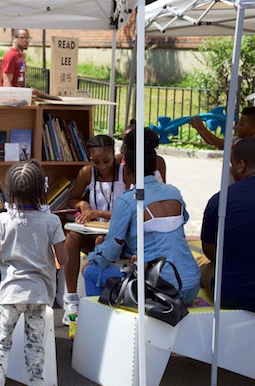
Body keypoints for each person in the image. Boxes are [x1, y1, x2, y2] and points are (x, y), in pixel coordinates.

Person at [0, 160, 68, 386]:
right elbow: (64, 258)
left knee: (0, 345)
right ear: (41, 190)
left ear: (10, 191)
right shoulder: (51, 221)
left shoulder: (3, 220)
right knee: (35, 348)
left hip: (10, 294)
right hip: (38, 294)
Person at [82, 128, 200, 304]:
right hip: (191, 283)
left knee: (91, 272)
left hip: (163, 286)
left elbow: (112, 250)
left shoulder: (129, 200)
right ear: (155, 166)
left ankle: (105, 326)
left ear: (127, 169)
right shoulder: (173, 192)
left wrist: (92, 257)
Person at [62, 134, 127, 324]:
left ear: (113, 154)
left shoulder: (125, 172)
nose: (102, 166)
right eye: (96, 161)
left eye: (106, 160)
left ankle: (100, 301)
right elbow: (72, 200)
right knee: (71, 238)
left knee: (101, 240)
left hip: (118, 233)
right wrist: (83, 204)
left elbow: (130, 208)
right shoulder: (87, 172)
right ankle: (71, 299)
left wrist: (100, 213)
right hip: (94, 230)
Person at [199, 136, 255, 312]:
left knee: (202, 265)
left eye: (232, 164)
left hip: (233, 292)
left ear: (241, 165)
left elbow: (210, 250)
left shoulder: (221, 199)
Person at [189, 106, 255, 151]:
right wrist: (199, 129)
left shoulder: (250, 145)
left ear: (253, 129)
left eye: (241, 124)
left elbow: (222, 145)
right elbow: (212, 142)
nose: (237, 127)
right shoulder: (237, 139)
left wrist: (202, 129)